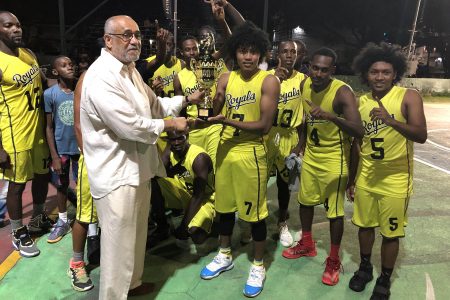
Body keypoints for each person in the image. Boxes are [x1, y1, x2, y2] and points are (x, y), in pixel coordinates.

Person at [80, 15, 204, 299]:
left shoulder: (130, 70)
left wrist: (185, 100)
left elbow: (154, 104)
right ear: (108, 41)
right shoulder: (101, 76)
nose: (134, 40)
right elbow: (129, 125)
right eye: (126, 35)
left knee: (135, 238)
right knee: (117, 245)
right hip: (115, 175)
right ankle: (113, 295)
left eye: (136, 34)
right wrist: (169, 125)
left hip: (136, 170)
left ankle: (132, 286)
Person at [199, 21, 280, 298]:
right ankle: (224, 254)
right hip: (225, 151)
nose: (248, 56)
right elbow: (215, 109)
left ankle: (258, 265)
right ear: (235, 52)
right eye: (243, 51)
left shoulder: (268, 81)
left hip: (251, 153)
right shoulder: (224, 78)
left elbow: (265, 125)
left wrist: (227, 120)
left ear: (261, 54)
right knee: (223, 209)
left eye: (253, 52)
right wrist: (210, 102)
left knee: (254, 214)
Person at [348, 43, 427, 300]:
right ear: (366, 74)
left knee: (391, 232)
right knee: (364, 226)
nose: (379, 77)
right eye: (374, 72)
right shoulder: (361, 102)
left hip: (396, 178)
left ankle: (384, 278)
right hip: (368, 175)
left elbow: (421, 135)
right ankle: (365, 268)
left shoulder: (408, 97)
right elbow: (357, 143)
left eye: (385, 72)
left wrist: (391, 120)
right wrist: (352, 179)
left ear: (395, 74)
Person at [282, 47, 364, 286]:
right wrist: (301, 144)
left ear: (333, 71)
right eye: (314, 68)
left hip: (335, 159)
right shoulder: (304, 85)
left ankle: (334, 259)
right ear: (309, 67)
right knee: (305, 202)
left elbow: (359, 131)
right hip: (312, 156)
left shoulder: (342, 93)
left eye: (324, 70)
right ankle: (307, 244)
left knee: (334, 213)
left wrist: (332, 117)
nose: (318, 73)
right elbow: (307, 119)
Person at [0, 11, 51, 258]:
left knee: (42, 176)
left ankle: (38, 218)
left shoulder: (27, 54)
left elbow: (45, 81)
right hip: (14, 134)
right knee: (17, 185)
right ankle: (17, 231)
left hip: (38, 129)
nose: (16, 29)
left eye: (18, 25)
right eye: (9, 25)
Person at [266, 40, 307, 247]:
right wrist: (274, 80)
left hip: (289, 136)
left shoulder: (303, 80)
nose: (289, 55)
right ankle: (252, 221)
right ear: (278, 54)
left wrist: (300, 145)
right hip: (267, 136)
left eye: (293, 52)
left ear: (298, 55)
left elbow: (307, 117)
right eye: (285, 51)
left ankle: (282, 223)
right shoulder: (267, 77)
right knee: (258, 182)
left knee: (284, 186)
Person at [151, 130, 215, 247]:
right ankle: (162, 226)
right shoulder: (171, 150)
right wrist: (167, 150)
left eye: (180, 138)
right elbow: (158, 173)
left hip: (205, 198)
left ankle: (215, 223)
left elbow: (198, 195)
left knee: (196, 236)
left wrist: (183, 226)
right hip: (186, 192)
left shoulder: (198, 158)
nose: (176, 142)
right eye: (173, 140)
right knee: (152, 184)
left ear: (187, 137)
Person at [67, 71, 100, 292]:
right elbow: (78, 123)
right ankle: (76, 264)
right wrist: (87, 154)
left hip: (115, 157)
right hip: (93, 157)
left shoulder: (127, 73)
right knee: (85, 215)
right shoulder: (89, 76)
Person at [44, 55, 79, 243]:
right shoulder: (50, 94)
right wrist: (54, 156)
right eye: (64, 66)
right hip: (62, 149)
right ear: (56, 72)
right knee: (61, 185)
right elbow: (48, 127)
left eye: (71, 64)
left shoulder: (81, 90)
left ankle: (87, 219)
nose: (70, 67)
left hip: (81, 148)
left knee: (84, 185)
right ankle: (63, 220)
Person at [145, 32, 184, 97]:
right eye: (162, 44)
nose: (165, 47)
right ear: (157, 45)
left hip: (177, 105)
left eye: (168, 44)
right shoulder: (148, 63)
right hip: (156, 104)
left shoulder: (181, 64)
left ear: (173, 46)